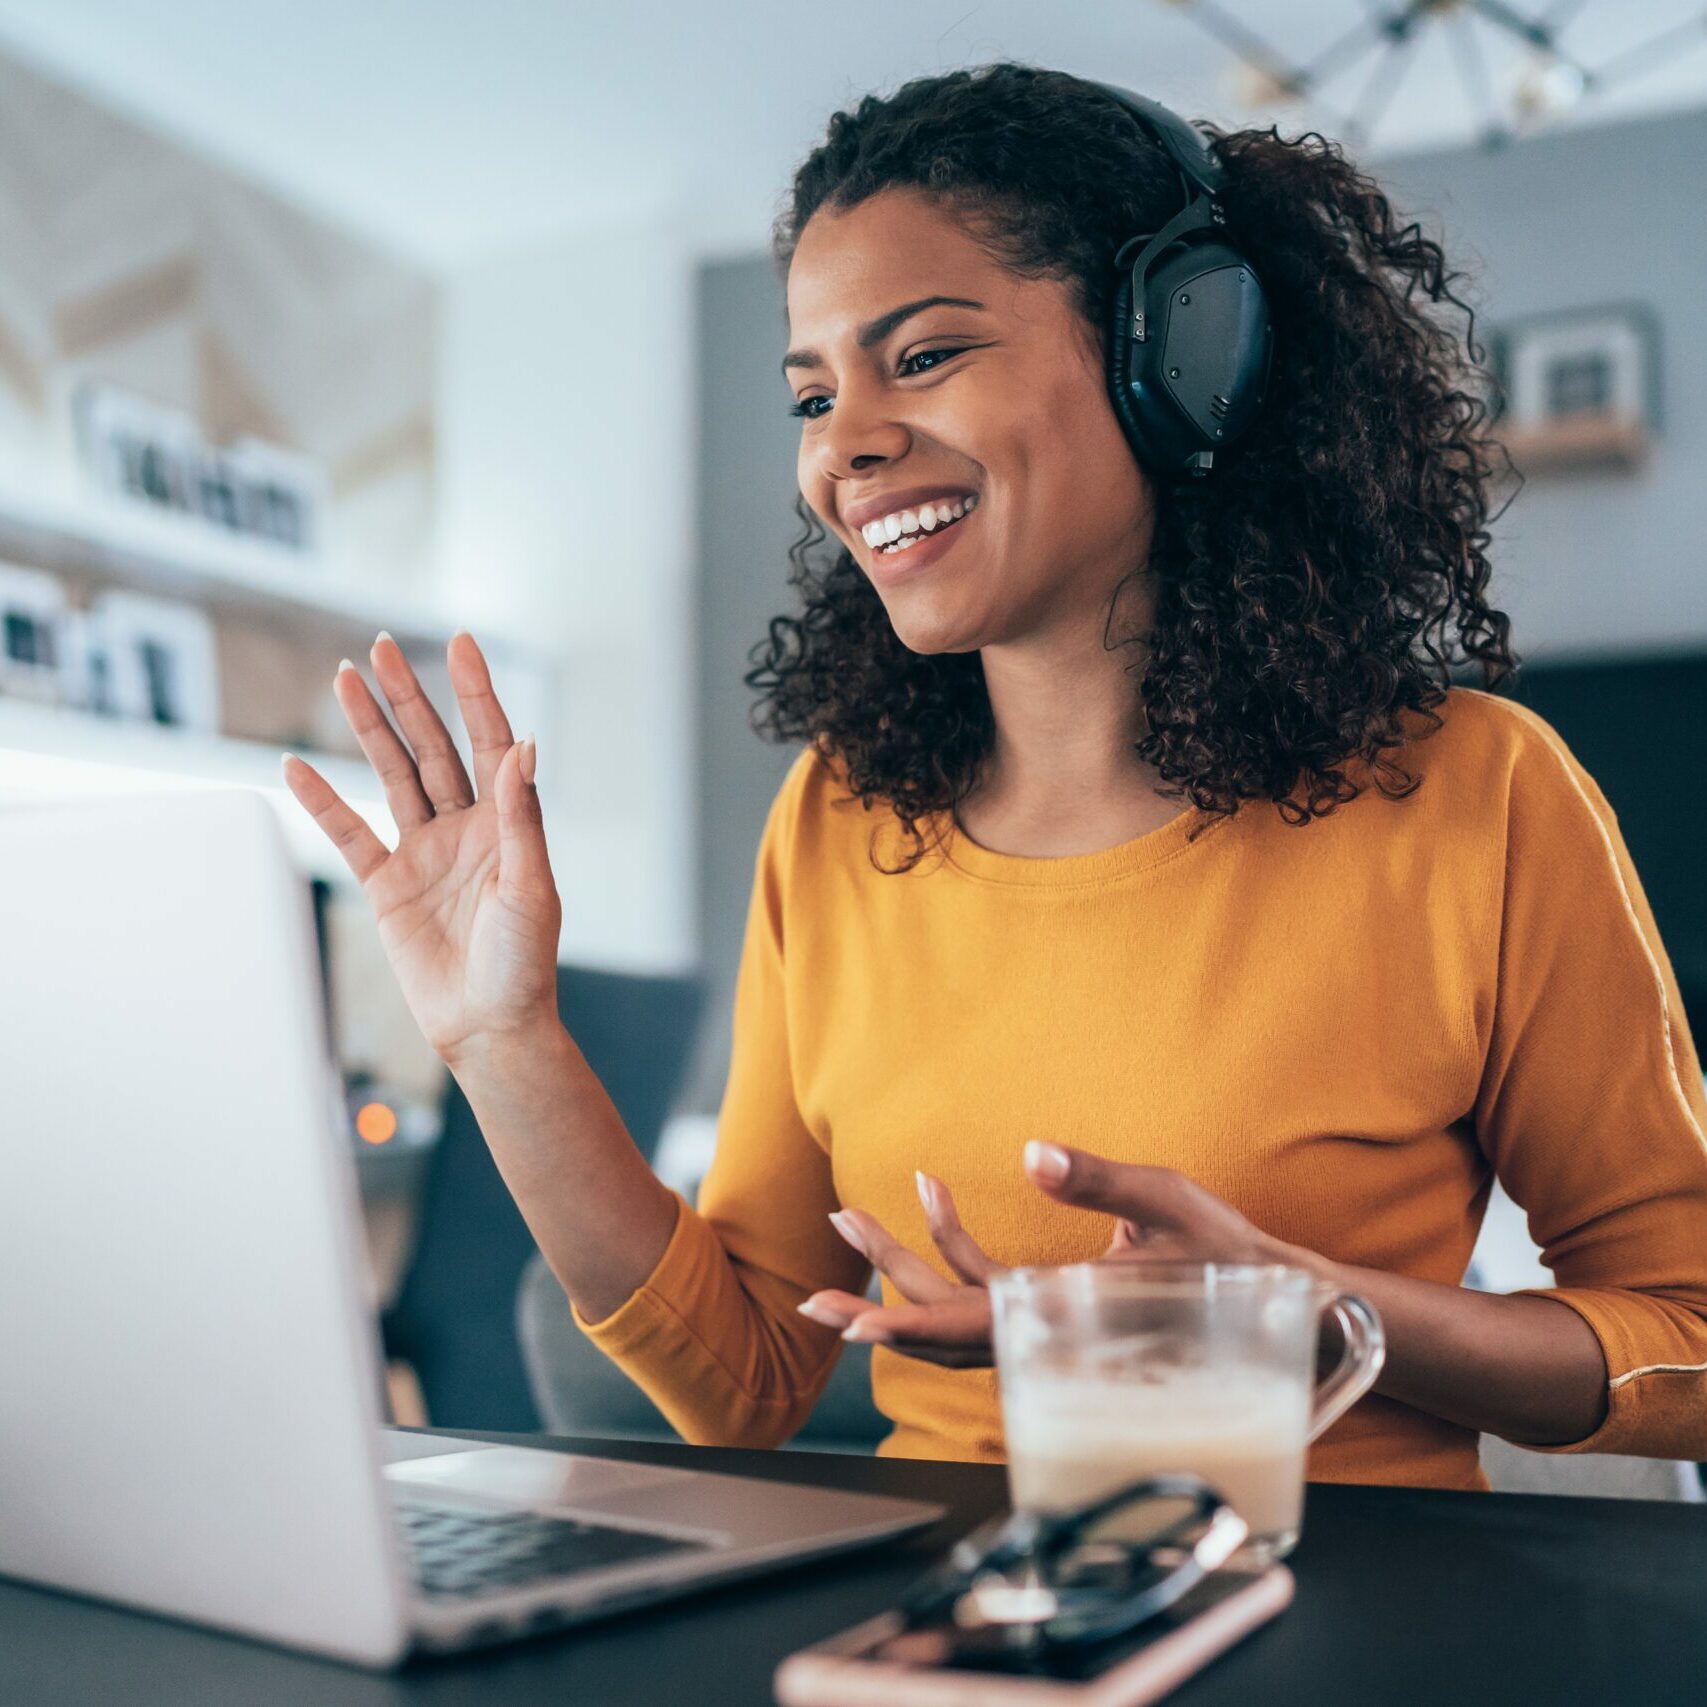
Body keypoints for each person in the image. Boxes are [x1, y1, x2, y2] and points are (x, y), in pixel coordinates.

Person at [285, 62, 1707, 1493]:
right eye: (811, 392)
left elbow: (1691, 1345)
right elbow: (747, 1387)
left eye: (921, 357)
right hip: (950, 1617)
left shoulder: (1477, 795)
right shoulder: (839, 821)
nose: (843, 445)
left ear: (1180, 353)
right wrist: (504, 1041)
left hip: (1339, 1605)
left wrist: (1304, 1311)